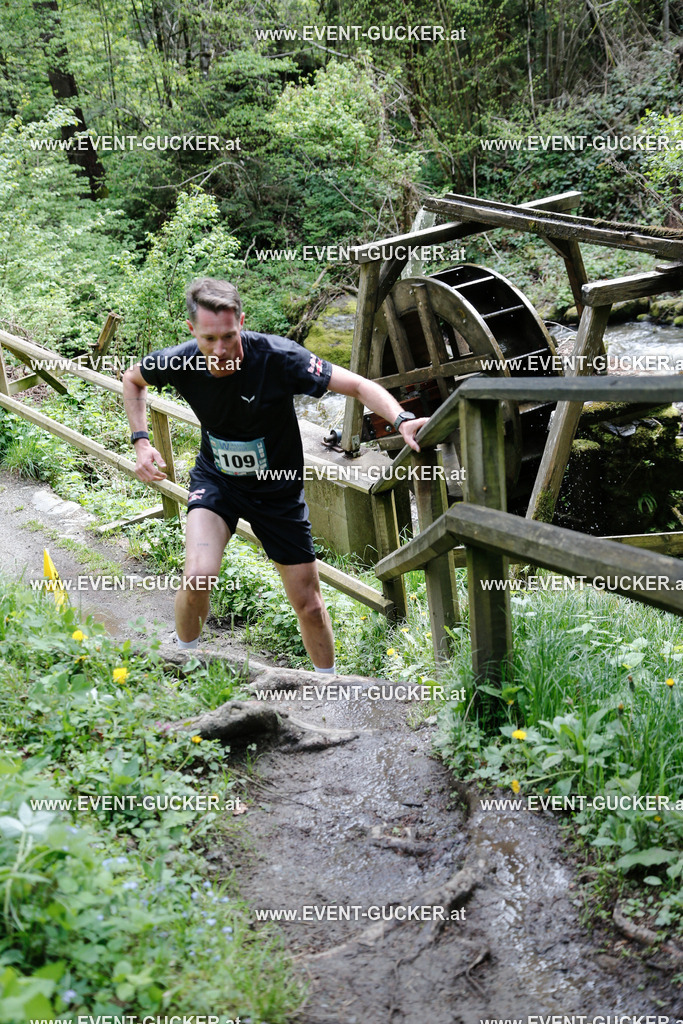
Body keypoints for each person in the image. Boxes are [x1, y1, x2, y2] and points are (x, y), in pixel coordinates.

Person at [122, 277, 427, 672]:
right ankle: (183, 665)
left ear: (241, 323)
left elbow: (356, 385)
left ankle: (328, 686)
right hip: (218, 482)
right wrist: (141, 442)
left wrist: (401, 419)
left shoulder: (278, 357)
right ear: (191, 330)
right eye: (209, 339)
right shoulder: (180, 360)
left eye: (229, 336)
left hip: (278, 493)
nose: (220, 350)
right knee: (198, 577)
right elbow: (133, 380)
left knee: (310, 604)